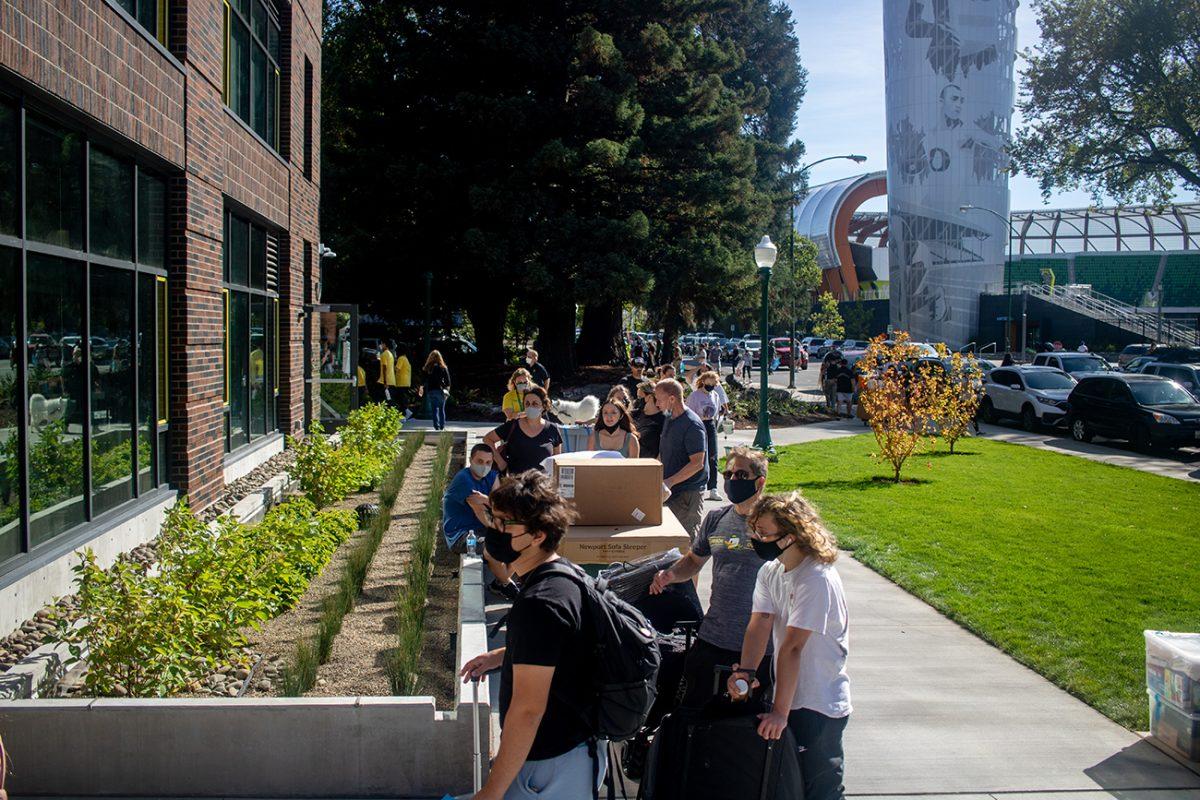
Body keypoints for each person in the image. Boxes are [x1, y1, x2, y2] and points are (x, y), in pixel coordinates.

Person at [460, 472, 604, 800]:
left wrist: (493, 790)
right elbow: (561, 650)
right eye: (492, 519)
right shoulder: (565, 575)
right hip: (576, 751)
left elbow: (528, 711)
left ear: (537, 535)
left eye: (503, 524)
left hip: (546, 764)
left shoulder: (539, 603)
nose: (493, 530)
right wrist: (502, 656)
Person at [730, 492, 851, 800]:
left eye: (766, 534)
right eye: (755, 531)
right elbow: (759, 624)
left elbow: (793, 647)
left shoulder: (816, 579)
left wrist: (781, 713)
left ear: (793, 534)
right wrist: (745, 672)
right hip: (789, 696)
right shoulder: (771, 570)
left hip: (818, 703)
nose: (758, 539)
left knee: (820, 792)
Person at [651, 446, 775, 708]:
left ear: (760, 481)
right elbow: (694, 560)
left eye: (740, 475)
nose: (731, 480)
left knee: (746, 728)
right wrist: (670, 574)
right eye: (728, 474)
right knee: (690, 715)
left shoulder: (775, 525)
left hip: (760, 648)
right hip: (714, 636)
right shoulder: (716, 518)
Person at [441, 444, 518, 597]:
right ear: (471, 460)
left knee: (522, 541)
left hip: (483, 529)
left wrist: (485, 499)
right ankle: (507, 584)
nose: (484, 466)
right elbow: (481, 513)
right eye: (480, 461)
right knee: (492, 549)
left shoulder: (493, 476)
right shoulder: (464, 480)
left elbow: (499, 505)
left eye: (488, 462)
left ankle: (501, 581)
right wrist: (502, 530)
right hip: (462, 535)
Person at [653, 379, 708, 539]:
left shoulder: (692, 425)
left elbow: (697, 463)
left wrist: (669, 481)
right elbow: (664, 451)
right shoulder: (669, 418)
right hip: (671, 491)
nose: (656, 404)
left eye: (659, 399)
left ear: (672, 399)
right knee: (667, 541)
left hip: (688, 493)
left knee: (685, 542)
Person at [484, 385, 563, 475]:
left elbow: (557, 460)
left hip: (541, 485)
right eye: (527, 404)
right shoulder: (512, 426)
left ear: (544, 406)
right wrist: (501, 462)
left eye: (535, 404)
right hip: (515, 483)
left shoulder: (552, 429)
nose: (530, 407)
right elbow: (487, 439)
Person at [686, 371, 722, 502]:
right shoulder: (695, 396)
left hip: (710, 425)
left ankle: (713, 488)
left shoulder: (715, 395)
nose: (710, 386)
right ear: (703, 382)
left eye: (713, 384)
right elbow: (690, 412)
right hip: (698, 425)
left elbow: (717, 411)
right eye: (708, 383)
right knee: (699, 455)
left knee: (713, 455)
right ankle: (696, 484)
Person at [418, 350, 451, 431]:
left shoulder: (428, 367)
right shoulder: (443, 367)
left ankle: (436, 426)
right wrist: (447, 392)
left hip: (431, 391)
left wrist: (421, 388)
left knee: (434, 409)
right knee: (441, 409)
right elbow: (448, 382)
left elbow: (423, 380)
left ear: (430, 357)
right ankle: (442, 426)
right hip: (441, 391)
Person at [632, 381, 664, 460]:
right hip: (633, 461)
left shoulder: (663, 419)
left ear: (649, 397)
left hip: (651, 464)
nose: (637, 400)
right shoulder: (634, 415)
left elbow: (664, 447)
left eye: (639, 397)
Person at [394, 343, 414, 419]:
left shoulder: (401, 358)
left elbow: (397, 369)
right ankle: (406, 413)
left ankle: (405, 413)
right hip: (406, 382)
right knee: (402, 399)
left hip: (400, 382)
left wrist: (393, 364)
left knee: (400, 399)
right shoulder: (406, 358)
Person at [377, 340, 396, 404]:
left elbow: (384, 368)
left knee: (382, 400)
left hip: (384, 381)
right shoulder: (390, 354)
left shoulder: (384, 354)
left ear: (385, 344)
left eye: (382, 344)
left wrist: (385, 382)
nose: (381, 345)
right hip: (391, 380)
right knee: (389, 399)